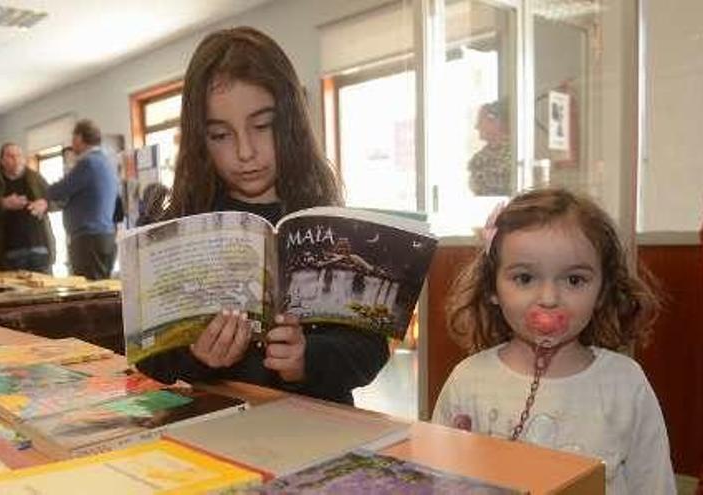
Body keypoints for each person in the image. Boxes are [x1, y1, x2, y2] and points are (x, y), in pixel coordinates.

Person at [135, 26, 389, 405]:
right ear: (198, 140)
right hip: (221, 425)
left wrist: (306, 360)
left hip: (316, 426)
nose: (245, 151)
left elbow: (369, 352)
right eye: (220, 134)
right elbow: (152, 359)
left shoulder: (333, 224)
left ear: (290, 124)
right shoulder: (181, 228)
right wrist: (195, 356)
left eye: (262, 126)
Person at [432, 188, 675, 494]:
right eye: (524, 278)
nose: (548, 299)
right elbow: (437, 482)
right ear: (492, 287)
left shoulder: (625, 384)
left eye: (574, 280)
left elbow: (654, 485)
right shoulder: (467, 381)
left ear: (602, 291)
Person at [47, 119, 119, 280]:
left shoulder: (88, 163)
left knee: (89, 293)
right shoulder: (106, 162)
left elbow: (60, 190)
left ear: (79, 138)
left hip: (89, 239)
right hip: (105, 235)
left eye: (73, 138)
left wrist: (42, 194)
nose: (72, 144)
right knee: (101, 288)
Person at [0, 143, 55, 273]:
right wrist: (2, 203)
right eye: (11, 156)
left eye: (19, 156)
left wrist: (45, 204)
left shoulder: (35, 178)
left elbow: (57, 200)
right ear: (2, 161)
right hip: (8, 253)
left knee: (45, 291)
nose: (16, 160)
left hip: (39, 249)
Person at [468, 100, 512, 196]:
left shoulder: (516, 154)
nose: (477, 126)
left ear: (495, 122)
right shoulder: (478, 159)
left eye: (480, 121)